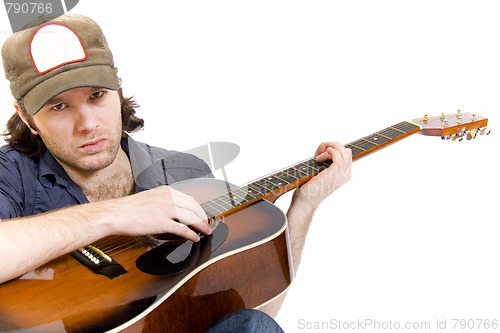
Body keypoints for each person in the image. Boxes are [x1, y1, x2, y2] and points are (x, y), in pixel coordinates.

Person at [0, 14, 352, 331]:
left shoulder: (187, 177)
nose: (88, 124)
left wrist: (304, 207)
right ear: (27, 117)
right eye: (59, 106)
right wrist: (116, 214)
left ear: (118, 89)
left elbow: (244, 313)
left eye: (97, 95)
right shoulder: (10, 174)